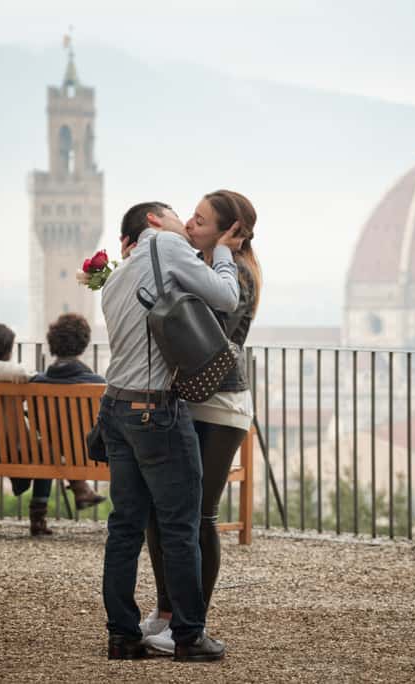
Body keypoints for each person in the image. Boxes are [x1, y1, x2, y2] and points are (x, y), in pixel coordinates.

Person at [99, 200, 243, 662]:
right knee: (180, 526)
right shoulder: (165, 243)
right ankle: (188, 636)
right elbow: (227, 297)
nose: (186, 222)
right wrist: (222, 250)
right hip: (155, 409)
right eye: (178, 214)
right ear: (154, 222)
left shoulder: (117, 277)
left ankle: (122, 635)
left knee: (125, 527)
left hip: (117, 406)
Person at [135, 190, 261, 655]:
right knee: (161, 508)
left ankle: (192, 621)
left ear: (231, 233)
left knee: (199, 513)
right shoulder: (202, 267)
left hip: (222, 405)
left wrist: (219, 258)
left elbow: (207, 335)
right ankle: (167, 611)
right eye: (191, 216)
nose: (189, 224)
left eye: (202, 221)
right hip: (189, 401)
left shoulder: (238, 276)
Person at [0, 321, 105, 536]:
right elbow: (22, 374)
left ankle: (69, 496)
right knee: (48, 449)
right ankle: (76, 490)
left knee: (47, 447)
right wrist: (37, 378)